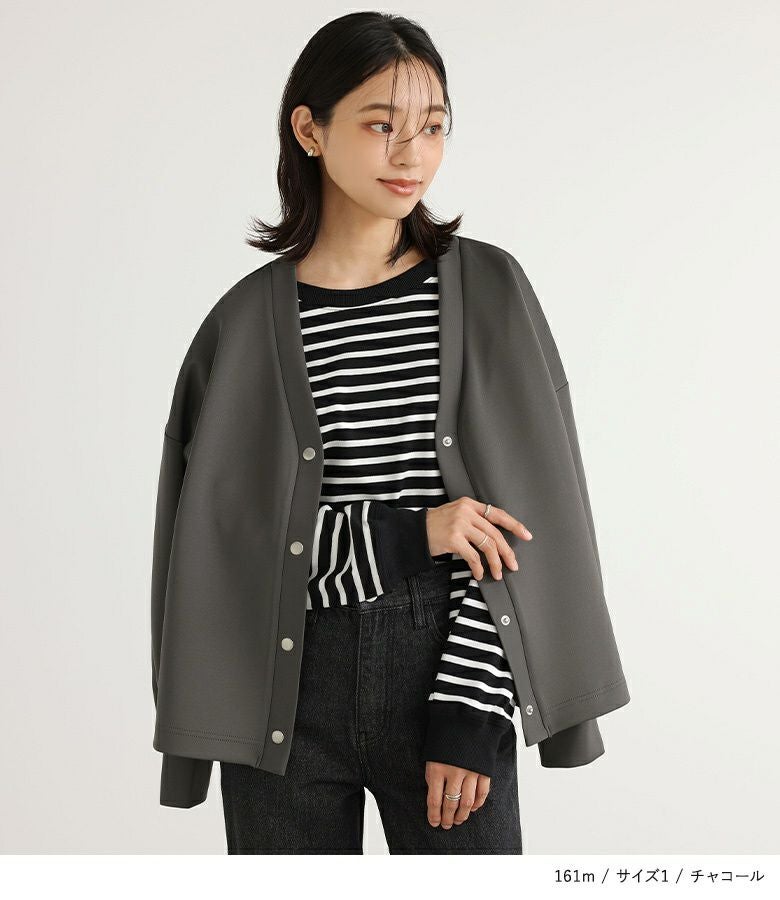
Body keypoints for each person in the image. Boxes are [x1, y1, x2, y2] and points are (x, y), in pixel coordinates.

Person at [154, 11, 629, 854]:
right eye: (382, 125)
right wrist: (414, 533)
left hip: (447, 666)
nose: (412, 154)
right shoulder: (242, 326)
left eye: (433, 127)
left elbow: (527, 519)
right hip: (283, 693)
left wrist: (471, 709)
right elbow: (232, 559)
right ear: (310, 130)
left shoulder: (490, 290)